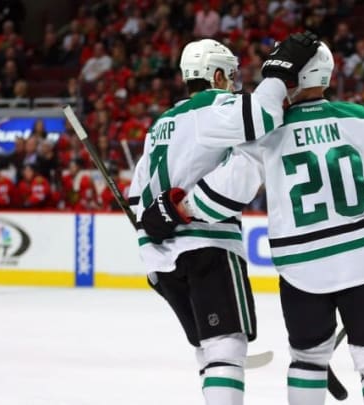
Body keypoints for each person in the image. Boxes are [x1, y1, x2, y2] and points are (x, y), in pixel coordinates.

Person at [178, 42, 364, 405]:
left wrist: (179, 209)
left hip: (300, 269)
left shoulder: (266, 132)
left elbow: (223, 194)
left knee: (307, 359)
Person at [132, 33, 321, 405]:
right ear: (215, 76)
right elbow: (264, 115)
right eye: (230, 76)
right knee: (226, 348)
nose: (234, 84)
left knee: (207, 349)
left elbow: (137, 196)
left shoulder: (160, 126)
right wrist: (278, 75)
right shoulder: (214, 106)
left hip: (160, 260)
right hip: (208, 247)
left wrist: (155, 219)